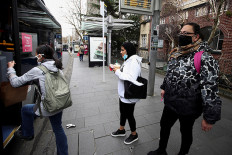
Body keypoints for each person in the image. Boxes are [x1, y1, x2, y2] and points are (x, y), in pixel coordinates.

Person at [148, 23, 222, 155]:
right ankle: (161, 150)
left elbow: (210, 88)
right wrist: (164, 87)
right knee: (164, 125)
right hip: (170, 102)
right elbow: (170, 72)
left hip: (189, 107)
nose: (181, 35)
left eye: (186, 33)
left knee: (185, 132)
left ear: (196, 36)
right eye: (181, 33)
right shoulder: (176, 52)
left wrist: (210, 117)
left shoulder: (205, 57)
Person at [7, 45, 68, 155]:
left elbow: (15, 83)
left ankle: (27, 134)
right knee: (58, 128)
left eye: (36, 54)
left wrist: (10, 68)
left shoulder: (37, 70)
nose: (35, 56)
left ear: (40, 56)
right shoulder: (57, 66)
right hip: (60, 102)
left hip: (48, 106)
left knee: (25, 110)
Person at [111, 42, 143, 145]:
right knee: (123, 112)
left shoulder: (133, 61)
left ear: (128, 50)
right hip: (124, 94)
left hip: (129, 94)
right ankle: (121, 130)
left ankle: (134, 134)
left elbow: (130, 78)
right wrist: (118, 69)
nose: (121, 52)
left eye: (122, 50)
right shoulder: (128, 59)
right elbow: (126, 73)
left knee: (129, 114)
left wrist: (117, 72)